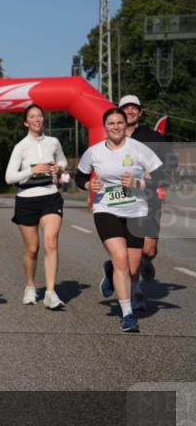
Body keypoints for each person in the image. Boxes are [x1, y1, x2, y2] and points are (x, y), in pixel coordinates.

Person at [75, 107, 164, 333]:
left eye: (119, 123)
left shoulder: (139, 149)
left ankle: (110, 270)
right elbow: (80, 176)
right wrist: (88, 185)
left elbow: (159, 175)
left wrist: (139, 184)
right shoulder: (94, 152)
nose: (116, 126)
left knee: (133, 267)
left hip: (136, 210)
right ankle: (127, 314)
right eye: (111, 123)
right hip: (106, 208)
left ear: (126, 125)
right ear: (105, 127)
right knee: (121, 260)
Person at [99, 94, 172, 307]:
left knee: (148, 251)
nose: (130, 111)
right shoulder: (111, 137)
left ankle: (113, 268)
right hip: (118, 199)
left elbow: (169, 164)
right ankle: (134, 289)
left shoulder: (153, 137)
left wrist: (151, 177)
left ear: (140, 112)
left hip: (148, 199)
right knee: (128, 246)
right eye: (126, 108)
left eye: (134, 108)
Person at [5, 104, 68, 309]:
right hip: (26, 200)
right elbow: (9, 177)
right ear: (26, 122)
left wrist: (59, 167)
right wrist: (32, 170)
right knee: (32, 249)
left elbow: (63, 161)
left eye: (40, 116)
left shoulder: (53, 142)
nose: (37, 119)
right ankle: (30, 286)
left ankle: (50, 292)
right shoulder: (20, 147)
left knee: (51, 242)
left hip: (50, 196)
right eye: (32, 117)